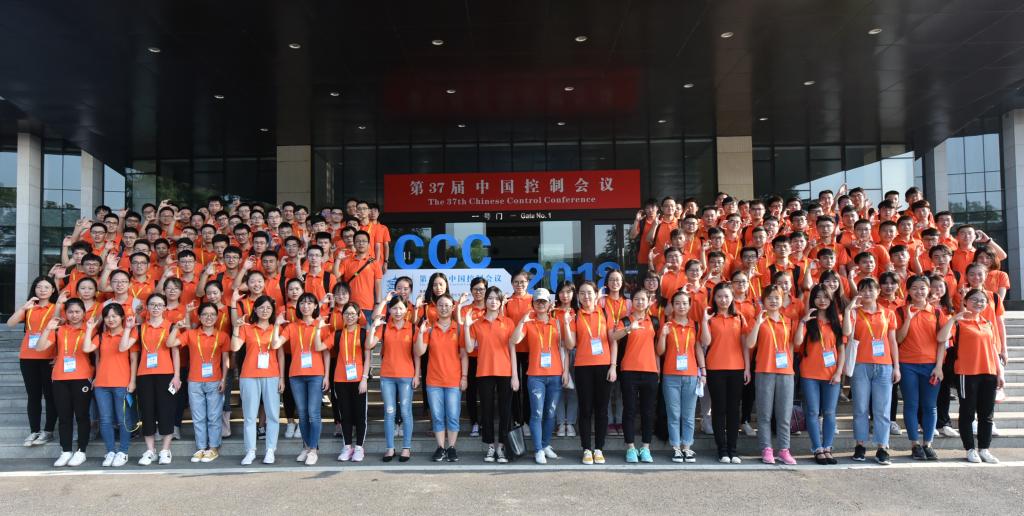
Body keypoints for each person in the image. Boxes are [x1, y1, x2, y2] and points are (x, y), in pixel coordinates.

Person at [937, 288, 1004, 463]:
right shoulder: (959, 323)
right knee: (967, 413)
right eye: (974, 299)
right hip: (966, 373)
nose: (978, 303)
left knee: (987, 415)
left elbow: (993, 349)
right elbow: (941, 338)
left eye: (982, 300)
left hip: (989, 373)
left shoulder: (987, 323)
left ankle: (984, 449)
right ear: (965, 301)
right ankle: (970, 449)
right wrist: (953, 319)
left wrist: (1000, 372)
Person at [844, 278, 900, 465]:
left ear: (878, 292)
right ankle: (860, 445)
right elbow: (846, 333)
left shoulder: (888, 313)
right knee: (860, 408)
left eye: (871, 290)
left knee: (882, 409)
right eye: (863, 290)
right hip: (860, 364)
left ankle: (882, 447)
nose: (867, 293)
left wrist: (896, 366)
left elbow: (892, 341)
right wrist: (849, 311)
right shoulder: (854, 312)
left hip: (884, 365)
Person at [510, 288, 567, 464]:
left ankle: (545, 444)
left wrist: (565, 371)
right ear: (533, 304)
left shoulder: (557, 323)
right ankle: (538, 449)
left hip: (555, 374)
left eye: (544, 301)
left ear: (550, 304)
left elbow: (564, 348)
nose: (541, 304)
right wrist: (522, 321)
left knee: (550, 413)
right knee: (537, 413)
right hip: (535, 375)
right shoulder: (529, 323)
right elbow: (514, 341)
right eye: (537, 301)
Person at [276, 293, 332, 465]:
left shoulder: (321, 325)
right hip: (296, 374)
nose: (305, 306)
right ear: (298, 307)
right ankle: (306, 447)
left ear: (315, 306)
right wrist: (276, 325)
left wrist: (327, 375)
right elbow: (276, 344)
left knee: (313, 413)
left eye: (309, 303)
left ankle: (313, 449)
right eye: (302, 303)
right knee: (302, 413)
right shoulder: (292, 327)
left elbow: (326, 352)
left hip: (316, 374)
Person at [895, 275, 947, 460]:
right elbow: (898, 338)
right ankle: (915, 444)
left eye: (923, 288)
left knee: (930, 406)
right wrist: (909, 319)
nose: (919, 292)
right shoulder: (900, 312)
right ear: (908, 291)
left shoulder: (937, 313)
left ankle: (928, 443)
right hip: (907, 364)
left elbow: (942, 342)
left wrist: (939, 366)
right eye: (915, 288)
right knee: (911, 404)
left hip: (931, 365)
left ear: (929, 290)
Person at [36, 298, 93, 467]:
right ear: (65, 314)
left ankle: (81, 451)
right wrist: (48, 328)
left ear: (84, 312)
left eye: (77, 311)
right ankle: (66, 451)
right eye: (70, 312)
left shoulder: (90, 329)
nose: (74, 315)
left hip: (82, 377)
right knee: (64, 417)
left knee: (82, 416)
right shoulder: (59, 330)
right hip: (60, 378)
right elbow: (39, 348)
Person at [744, 285, 797, 465]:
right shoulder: (758, 320)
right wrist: (758, 323)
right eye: (769, 298)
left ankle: (784, 449)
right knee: (764, 414)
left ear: (782, 300)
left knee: (784, 414)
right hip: (764, 370)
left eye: (777, 298)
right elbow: (750, 344)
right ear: (763, 300)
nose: (773, 301)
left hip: (785, 371)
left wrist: (790, 366)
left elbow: (791, 345)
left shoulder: (788, 321)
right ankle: (766, 448)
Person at [6, 276, 62, 447]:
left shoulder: (57, 308)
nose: (42, 290)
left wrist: (59, 355)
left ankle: (48, 431)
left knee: (50, 395)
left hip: (48, 356)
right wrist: (24, 307)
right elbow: (10, 323)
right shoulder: (29, 308)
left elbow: (61, 332)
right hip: (28, 356)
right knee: (33, 395)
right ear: (34, 289)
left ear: (53, 290)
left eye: (46, 287)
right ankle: (34, 430)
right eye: (39, 287)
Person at [172, 302, 230, 463]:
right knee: (198, 417)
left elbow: (226, 360)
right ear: (199, 316)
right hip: (194, 381)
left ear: (217, 317)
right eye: (205, 314)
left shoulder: (223, 336)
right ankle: (201, 447)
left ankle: (213, 448)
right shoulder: (191, 334)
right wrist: (176, 327)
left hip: (215, 380)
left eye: (212, 314)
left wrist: (224, 379)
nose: (209, 317)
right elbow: (170, 343)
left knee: (214, 416)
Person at [230, 295, 285, 465]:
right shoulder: (247, 328)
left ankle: (270, 450)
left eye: (268, 308)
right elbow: (235, 347)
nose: (265, 311)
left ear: (272, 310)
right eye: (261, 307)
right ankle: (250, 451)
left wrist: (282, 378)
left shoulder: (276, 328)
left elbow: (280, 355)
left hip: (272, 374)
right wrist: (236, 328)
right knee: (249, 416)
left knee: (273, 415)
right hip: (249, 375)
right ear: (255, 309)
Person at [465, 286, 517, 464]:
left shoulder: (508, 322)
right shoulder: (477, 323)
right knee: (486, 411)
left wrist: (515, 376)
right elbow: (469, 348)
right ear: (485, 300)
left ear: (501, 302)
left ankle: (501, 446)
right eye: (490, 298)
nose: (493, 301)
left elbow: (512, 350)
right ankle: (490, 445)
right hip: (484, 371)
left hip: (505, 371)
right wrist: (466, 326)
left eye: (497, 298)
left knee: (505, 411)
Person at [793, 284, 845, 465]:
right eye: (818, 297)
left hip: (831, 374)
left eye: (825, 297)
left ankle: (828, 447)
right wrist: (802, 322)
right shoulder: (808, 320)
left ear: (831, 299)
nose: (822, 300)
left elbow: (842, 349)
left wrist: (839, 372)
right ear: (812, 299)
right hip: (810, 373)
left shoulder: (837, 320)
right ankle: (817, 448)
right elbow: (797, 343)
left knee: (829, 412)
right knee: (813, 412)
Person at [565, 281, 615, 465]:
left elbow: (613, 341)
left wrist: (613, 366)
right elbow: (570, 344)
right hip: (583, 367)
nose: (586, 296)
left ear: (596, 295)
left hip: (604, 366)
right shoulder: (575, 316)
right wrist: (566, 324)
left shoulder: (605, 313)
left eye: (589, 293)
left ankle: (599, 448)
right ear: (578, 297)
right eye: (582, 293)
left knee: (602, 410)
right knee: (585, 409)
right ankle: (586, 448)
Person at [699, 282, 749, 464]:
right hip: (715, 368)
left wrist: (747, 368)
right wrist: (704, 321)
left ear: (732, 298)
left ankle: (733, 449)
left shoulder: (739, 317)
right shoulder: (710, 318)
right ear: (714, 298)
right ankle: (722, 450)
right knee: (719, 409)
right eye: (719, 296)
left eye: (726, 296)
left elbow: (745, 345)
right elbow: (705, 342)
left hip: (737, 368)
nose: (723, 300)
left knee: (734, 410)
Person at [415, 293, 467, 462]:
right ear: (435, 308)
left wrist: (464, 377)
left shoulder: (458, 328)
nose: (444, 308)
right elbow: (419, 352)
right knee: (437, 417)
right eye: (440, 305)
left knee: (453, 415)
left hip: (453, 380)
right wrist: (421, 333)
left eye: (447, 305)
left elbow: (464, 355)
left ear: (453, 308)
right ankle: (440, 447)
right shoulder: (429, 328)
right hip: (434, 381)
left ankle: (451, 447)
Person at [609, 289, 659, 464]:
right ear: (632, 302)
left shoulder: (654, 321)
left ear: (648, 301)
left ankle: (645, 447)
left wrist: (658, 370)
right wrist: (630, 328)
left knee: (647, 411)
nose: (639, 302)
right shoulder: (625, 321)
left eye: (643, 299)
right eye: (636, 299)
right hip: (629, 370)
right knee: (629, 410)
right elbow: (614, 337)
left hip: (650, 371)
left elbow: (657, 348)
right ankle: (630, 447)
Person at [368, 297, 419, 462]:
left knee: (405, 412)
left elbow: (417, 354)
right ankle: (390, 448)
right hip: (387, 376)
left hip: (406, 375)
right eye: (394, 308)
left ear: (406, 310)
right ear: (389, 310)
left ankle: (406, 448)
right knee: (389, 412)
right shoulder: (384, 327)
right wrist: (373, 327)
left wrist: (417, 374)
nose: (398, 312)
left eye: (401, 308)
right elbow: (369, 345)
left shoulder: (412, 327)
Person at [134, 293, 182, 465]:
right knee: (147, 412)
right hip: (144, 374)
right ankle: (150, 451)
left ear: (165, 308)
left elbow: (175, 352)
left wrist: (177, 376)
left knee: (166, 411)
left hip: (166, 374)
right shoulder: (140, 327)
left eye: (159, 305)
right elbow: (132, 352)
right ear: (147, 307)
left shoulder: (171, 327)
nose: (156, 308)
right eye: (152, 304)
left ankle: (165, 450)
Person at [657, 291, 705, 463]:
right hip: (670, 375)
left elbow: (698, 348)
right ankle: (676, 447)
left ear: (690, 305)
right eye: (677, 303)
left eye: (685, 303)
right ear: (672, 305)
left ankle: (687, 446)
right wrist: (663, 335)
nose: (681, 306)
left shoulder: (695, 325)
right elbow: (659, 351)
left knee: (689, 414)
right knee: (674, 414)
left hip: (691, 375)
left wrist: (703, 371)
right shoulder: (667, 325)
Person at [88, 303, 138, 467]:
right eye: (107, 316)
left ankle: (123, 451)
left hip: (122, 383)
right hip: (102, 384)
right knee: (105, 419)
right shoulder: (101, 336)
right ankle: (110, 451)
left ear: (122, 317)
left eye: (114, 316)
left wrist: (132, 381)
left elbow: (133, 359)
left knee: (123, 419)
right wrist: (89, 329)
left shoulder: (131, 334)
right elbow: (90, 351)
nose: (110, 319)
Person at [333, 301, 370, 462]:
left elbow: (368, 357)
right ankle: (347, 447)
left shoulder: (363, 333)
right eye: (347, 314)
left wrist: (364, 379)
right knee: (345, 415)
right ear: (342, 316)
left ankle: (359, 448)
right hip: (340, 380)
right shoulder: (338, 334)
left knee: (360, 415)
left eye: (353, 314)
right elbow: (320, 347)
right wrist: (319, 327)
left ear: (358, 315)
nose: (350, 316)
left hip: (359, 380)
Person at [457, 277, 488, 438]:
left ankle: (485, 422)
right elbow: (460, 324)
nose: (478, 292)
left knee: (485, 392)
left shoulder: (491, 308)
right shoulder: (466, 310)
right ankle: (475, 422)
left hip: (487, 357)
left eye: (481, 289)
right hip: (469, 356)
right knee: (471, 392)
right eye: (475, 289)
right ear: (471, 290)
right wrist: (459, 305)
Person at [552, 281, 578, 438]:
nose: (565, 295)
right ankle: (561, 422)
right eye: (561, 292)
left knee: (574, 390)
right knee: (559, 388)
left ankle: (571, 423)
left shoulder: (578, 312)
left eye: (568, 292)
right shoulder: (552, 312)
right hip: (556, 352)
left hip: (576, 352)